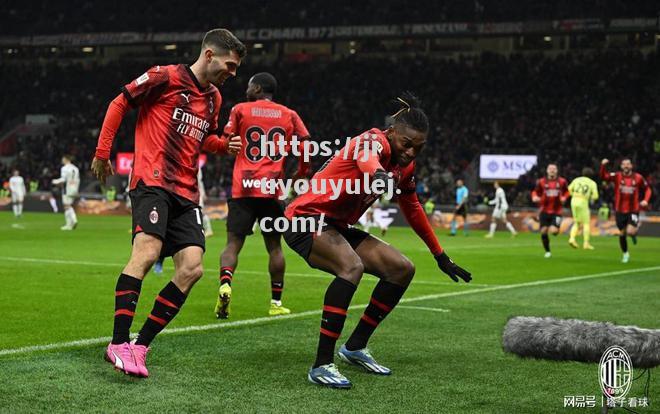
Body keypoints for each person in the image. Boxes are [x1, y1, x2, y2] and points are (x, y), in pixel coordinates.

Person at [283, 94, 471, 389]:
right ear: (392, 131)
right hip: (305, 218)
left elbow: (413, 208)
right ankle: (321, 364)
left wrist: (439, 254)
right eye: (406, 144)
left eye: (418, 148)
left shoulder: (405, 166)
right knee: (351, 267)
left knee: (402, 269)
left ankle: (355, 347)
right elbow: (366, 160)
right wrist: (381, 177)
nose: (411, 153)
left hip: (337, 225)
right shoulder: (373, 140)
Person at [91, 28, 245, 378]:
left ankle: (139, 346)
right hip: (152, 181)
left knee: (192, 268)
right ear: (209, 55)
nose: (232, 73)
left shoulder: (215, 99)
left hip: (186, 193)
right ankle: (117, 343)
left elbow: (203, 139)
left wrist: (224, 146)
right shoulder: (165, 77)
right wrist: (103, 152)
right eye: (230, 64)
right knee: (145, 254)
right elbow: (120, 102)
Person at [215, 72, 310, 319]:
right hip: (272, 190)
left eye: (249, 85)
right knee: (275, 248)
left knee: (232, 245)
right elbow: (306, 142)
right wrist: (302, 172)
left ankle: (225, 284)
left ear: (257, 88)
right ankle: (276, 303)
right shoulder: (289, 114)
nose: (247, 88)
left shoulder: (240, 109)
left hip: (242, 188)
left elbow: (226, 141)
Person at [600, 158, 652, 263]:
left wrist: (646, 200)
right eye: (624, 164)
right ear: (621, 166)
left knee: (630, 231)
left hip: (633, 209)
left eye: (628, 164)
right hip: (619, 210)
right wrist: (603, 166)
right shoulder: (617, 176)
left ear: (631, 166)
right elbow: (604, 176)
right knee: (622, 234)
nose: (626, 166)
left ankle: (633, 234)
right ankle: (625, 253)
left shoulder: (638, 178)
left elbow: (648, 189)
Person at [531, 164, 569, 258]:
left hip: (557, 211)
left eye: (554, 169)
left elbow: (567, 191)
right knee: (543, 231)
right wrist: (534, 197)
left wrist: (565, 197)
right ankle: (547, 251)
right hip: (544, 210)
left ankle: (556, 227)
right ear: (547, 171)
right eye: (550, 169)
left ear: (557, 171)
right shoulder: (541, 181)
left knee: (554, 232)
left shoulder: (562, 181)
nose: (552, 170)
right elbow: (535, 191)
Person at [567, 168, 599, 249]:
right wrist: (588, 197)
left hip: (574, 200)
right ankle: (586, 243)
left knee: (577, 222)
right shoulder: (592, 183)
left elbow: (569, 189)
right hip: (583, 201)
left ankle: (572, 238)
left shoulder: (577, 180)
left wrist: (573, 195)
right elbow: (595, 196)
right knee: (586, 223)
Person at [51, 155, 80, 230]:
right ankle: (69, 225)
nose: (62, 160)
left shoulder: (64, 168)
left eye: (63, 159)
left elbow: (63, 179)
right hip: (74, 188)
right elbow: (78, 180)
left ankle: (73, 220)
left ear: (66, 159)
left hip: (67, 189)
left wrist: (55, 181)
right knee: (68, 205)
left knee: (66, 206)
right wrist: (76, 189)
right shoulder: (75, 168)